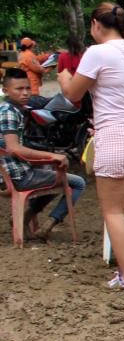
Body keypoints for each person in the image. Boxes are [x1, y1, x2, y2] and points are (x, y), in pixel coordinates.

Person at [64, 2, 124, 290]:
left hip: (116, 138)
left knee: (114, 211)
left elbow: (73, 96)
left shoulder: (96, 52)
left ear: (95, 24)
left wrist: (64, 77)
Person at [0, 68, 86, 241]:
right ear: (5, 90)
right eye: (19, 89)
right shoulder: (8, 112)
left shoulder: (13, 109)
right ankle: (49, 224)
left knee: (54, 173)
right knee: (78, 183)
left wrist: (44, 157)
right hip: (17, 176)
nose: (25, 93)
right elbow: (14, 148)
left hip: (13, 172)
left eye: (27, 88)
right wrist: (53, 156)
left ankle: (25, 217)